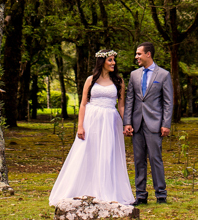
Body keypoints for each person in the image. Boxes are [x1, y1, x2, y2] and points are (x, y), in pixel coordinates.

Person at [48, 50, 135, 206]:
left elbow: (121, 105)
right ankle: (85, 187)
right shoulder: (91, 80)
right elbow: (83, 103)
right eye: (110, 60)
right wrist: (80, 126)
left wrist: (127, 123)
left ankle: (108, 190)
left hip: (110, 120)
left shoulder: (119, 81)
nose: (113, 63)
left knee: (108, 154)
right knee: (88, 152)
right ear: (102, 62)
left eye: (114, 60)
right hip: (92, 119)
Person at [123, 42, 173, 205]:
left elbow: (168, 101)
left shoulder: (163, 75)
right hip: (137, 124)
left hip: (155, 124)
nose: (136, 56)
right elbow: (130, 99)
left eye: (139, 54)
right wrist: (127, 122)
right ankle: (141, 195)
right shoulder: (134, 75)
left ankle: (161, 195)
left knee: (155, 158)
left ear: (148, 54)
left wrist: (166, 123)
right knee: (138, 160)